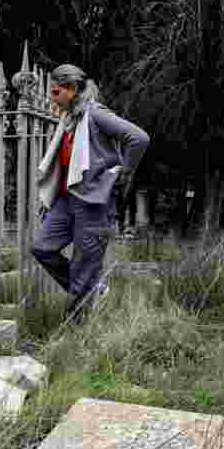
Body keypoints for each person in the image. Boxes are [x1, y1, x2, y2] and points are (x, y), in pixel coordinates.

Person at [31, 64, 150, 322]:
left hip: (93, 203)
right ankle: (94, 289)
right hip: (65, 200)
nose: (51, 97)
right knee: (42, 247)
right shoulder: (70, 119)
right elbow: (64, 163)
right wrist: (51, 197)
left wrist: (123, 173)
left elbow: (138, 138)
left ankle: (75, 331)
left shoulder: (95, 115)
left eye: (55, 91)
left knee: (84, 268)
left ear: (72, 90)